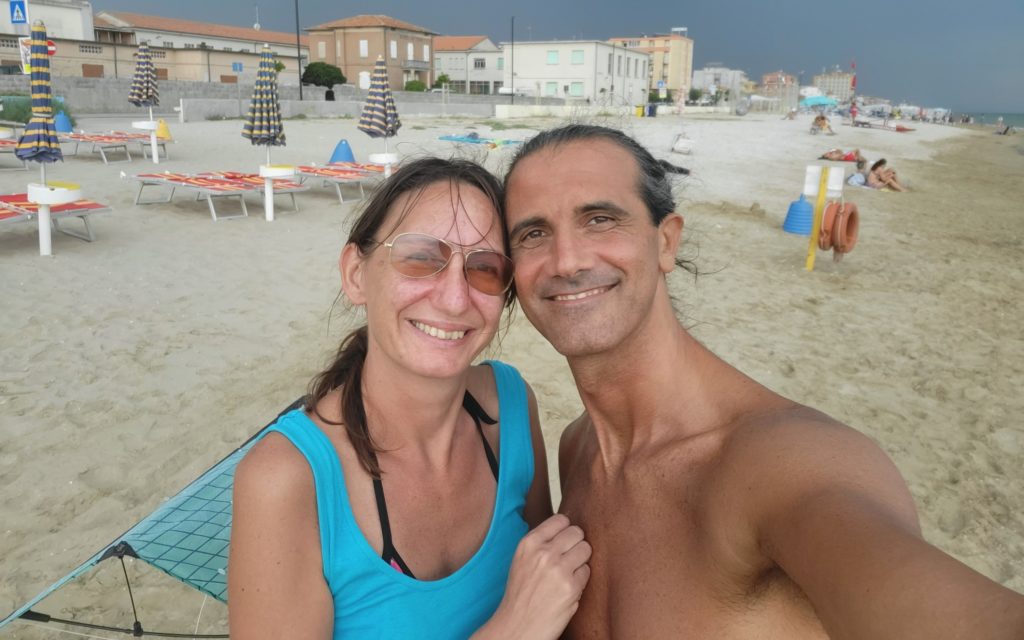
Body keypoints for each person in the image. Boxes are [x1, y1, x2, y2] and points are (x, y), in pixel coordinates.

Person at [503, 124, 1024, 639]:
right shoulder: (578, 451)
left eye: (599, 220)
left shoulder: (782, 463)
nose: (566, 261)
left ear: (666, 242)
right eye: (533, 234)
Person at [229, 158, 591, 639]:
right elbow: (530, 618)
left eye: (485, 268)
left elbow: (550, 586)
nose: (455, 299)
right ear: (356, 274)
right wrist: (510, 629)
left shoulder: (509, 408)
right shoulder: (287, 480)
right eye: (420, 257)